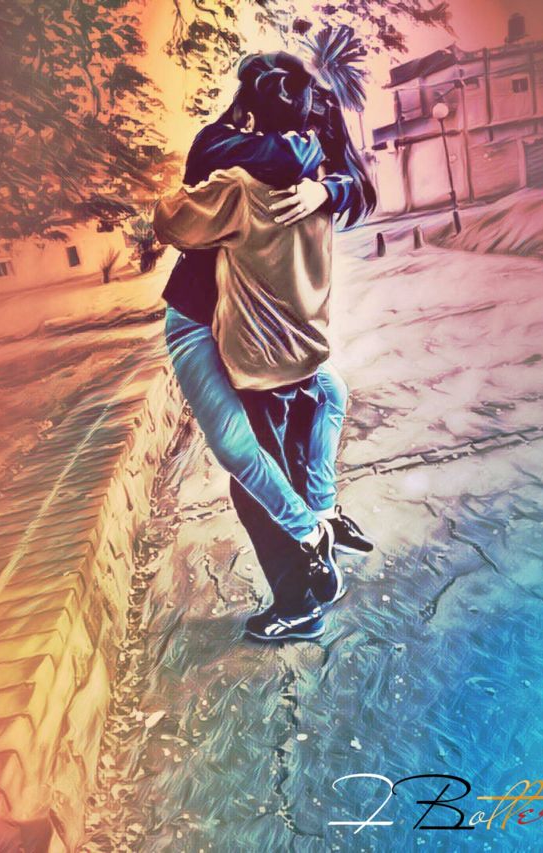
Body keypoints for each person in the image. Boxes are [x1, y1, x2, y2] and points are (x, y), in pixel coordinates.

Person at [155, 52, 376, 639]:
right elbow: (237, 161)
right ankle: (311, 547)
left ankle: (306, 567)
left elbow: (359, 184)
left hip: (252, 332)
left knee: (267, 449)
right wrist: (299, 159)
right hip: (211, 316)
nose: (316, 139)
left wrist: (328, 188)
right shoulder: (238, 154)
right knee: (258, 451)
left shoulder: (300, 172)